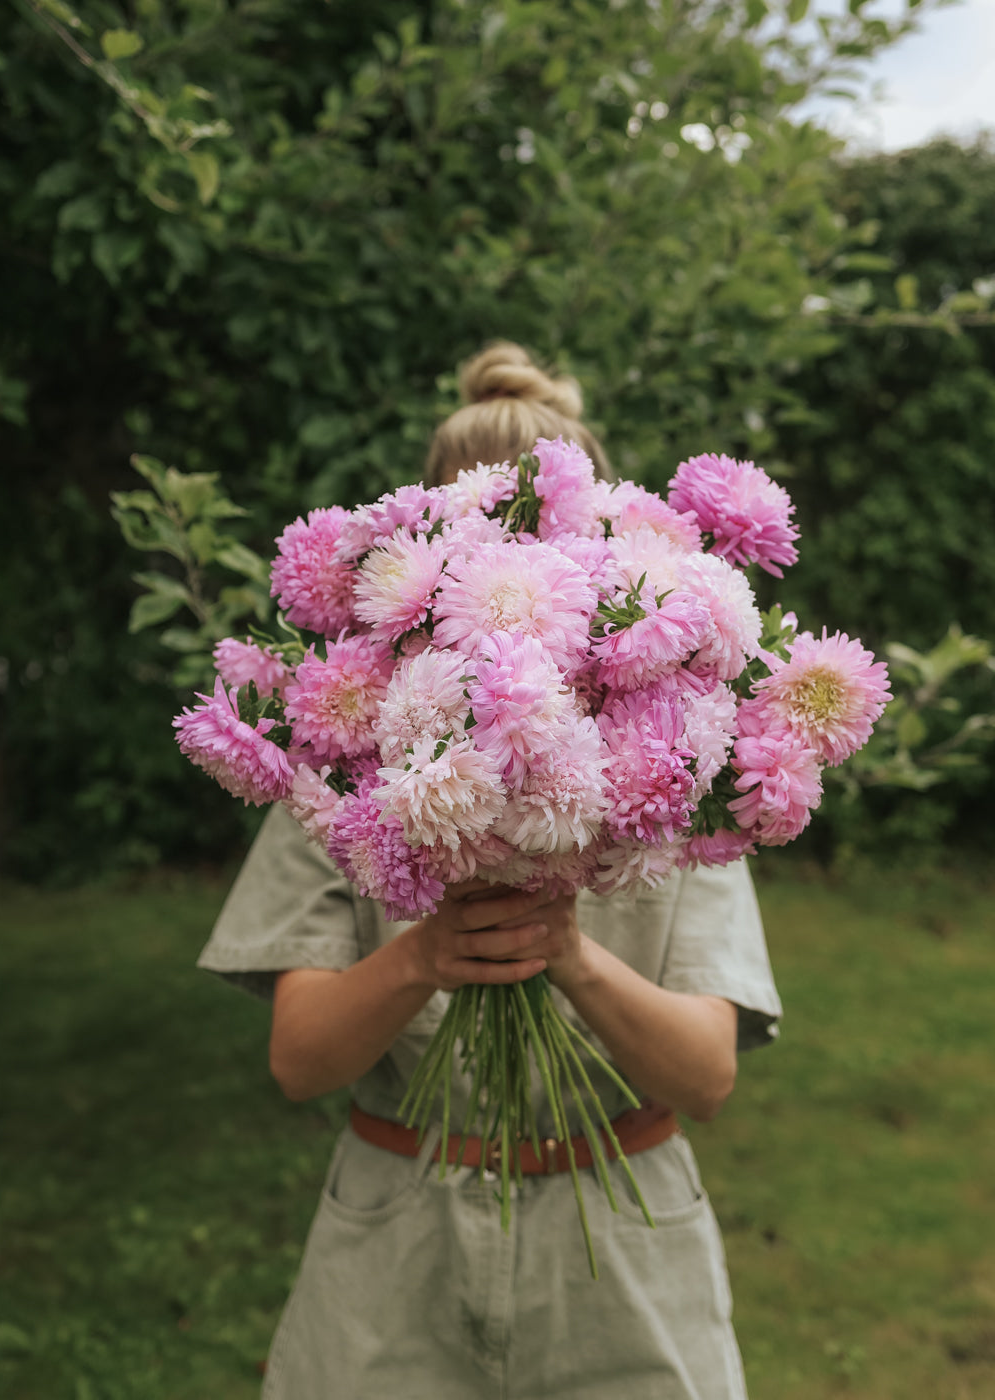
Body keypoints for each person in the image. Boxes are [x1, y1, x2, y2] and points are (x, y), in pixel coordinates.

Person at [197, 342, 783, 1400]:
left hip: (622, 1253)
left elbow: (704, 1076)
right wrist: (424, 953)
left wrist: (567, 953)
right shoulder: (331, 760)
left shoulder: (692, 757)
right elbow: (298, 1060)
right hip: (395, 1252)